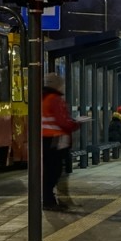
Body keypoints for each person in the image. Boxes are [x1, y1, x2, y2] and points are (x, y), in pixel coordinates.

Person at [42, 73, 82, 211]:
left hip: (44, 140)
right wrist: (76, 123)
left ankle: (51, 199)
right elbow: (63, 122)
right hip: (56, 140)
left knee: (49, 171)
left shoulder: (41, 97)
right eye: (61, 84)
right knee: (55, 171)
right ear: (57, 85)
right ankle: (49, 201)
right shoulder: (55, 99)